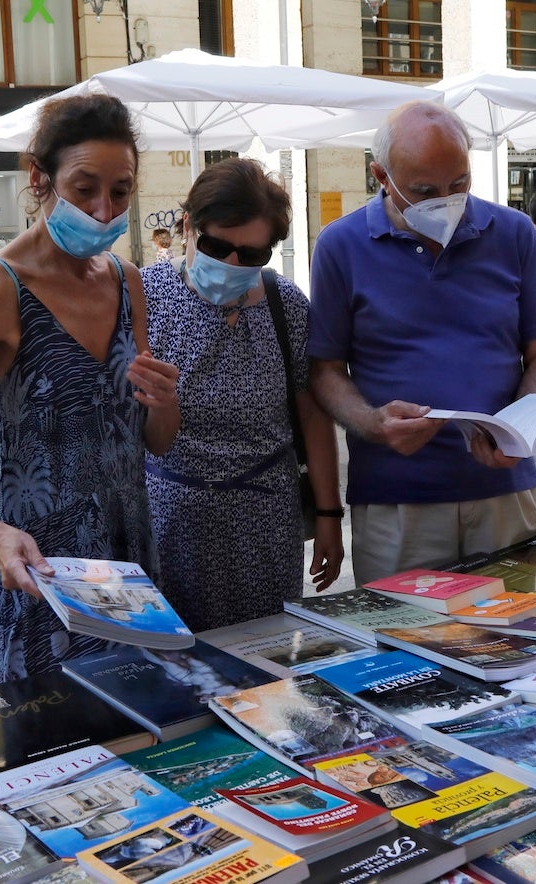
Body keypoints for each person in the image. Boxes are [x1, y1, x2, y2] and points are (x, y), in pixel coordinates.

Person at [0, 95, 181, 683]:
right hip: (39, 572)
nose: (105, 209)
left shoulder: (127, 281)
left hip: (130, 571)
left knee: (146, 746)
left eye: (121, 191)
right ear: (40, 177)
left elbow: (155, 441)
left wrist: (167, 402)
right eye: (84, 189)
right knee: (57, 757)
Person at [308, 100, 536, 585]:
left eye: (460, 185)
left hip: (505, 490)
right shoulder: (340, 246)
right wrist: (373, 422)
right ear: (381, 176)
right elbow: (324, 371)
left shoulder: (512, 234)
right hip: (397, 499)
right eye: (425, 191)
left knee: (520, 640)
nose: (446, 200)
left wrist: (517, 428)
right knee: (404, 646)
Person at [141, 158, 343, 631]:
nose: (233, 264)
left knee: (263, 662)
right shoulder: (144, 296)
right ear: (188, 226)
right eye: (218, 246)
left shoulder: (284, 304)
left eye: (252, 255)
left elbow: (312, 414)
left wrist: (330, 515)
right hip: (171, 520)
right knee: (174, 665)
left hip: (265, 523)